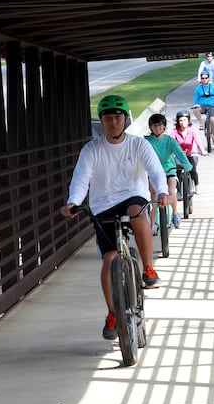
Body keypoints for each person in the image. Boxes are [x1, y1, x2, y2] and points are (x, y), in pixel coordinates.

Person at [60, 95, 170, 341]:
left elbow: (155, 171)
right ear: (101, 121)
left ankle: (148, 268)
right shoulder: (92, 149)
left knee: (136, 213)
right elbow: (81, 178)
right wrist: (73, 202)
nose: (113, 122)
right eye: (107, 118)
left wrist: (162, 191)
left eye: (117, 117)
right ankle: (112, 313)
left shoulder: (139, 145)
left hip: (134, 196)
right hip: (103, 205)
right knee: (109, 259)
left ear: (125, 119)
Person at [145, 113, 193, 230]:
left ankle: (175, 214)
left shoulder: (170, 141)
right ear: (151, 127)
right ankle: (153, 224)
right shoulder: (146, 141)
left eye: (160, 126)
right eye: (154, 126)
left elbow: (180, 154)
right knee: (154, 195)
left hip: (169, 170)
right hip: (154, 172)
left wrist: (187, 166)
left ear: (164, 127)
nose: (157, 128)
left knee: (172, 191)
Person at [170, 110, 208, 193]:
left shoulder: (192, 130)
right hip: (180, 155)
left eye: (184, 120)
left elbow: (198, 141)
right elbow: (170, 143)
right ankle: (179, 191)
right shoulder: (174, 132)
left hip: (191, 154)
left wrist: (202, 150)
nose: (183, 122)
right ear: (178, 121)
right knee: (177, 171)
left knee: (193, 170)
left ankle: (197, 184)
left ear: (188, 121)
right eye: (180, 120)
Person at [192, 71, 214, 145]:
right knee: (195, 109)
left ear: (209, 78)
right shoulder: (198, 89)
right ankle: (201, 123)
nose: (204, 79)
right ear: (201, 79)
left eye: (206, 78)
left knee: (212, 119)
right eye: (203, 78)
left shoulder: (213, 87)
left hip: (212, 106)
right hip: (202, 106)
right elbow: (196, 100)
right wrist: (196, 105)